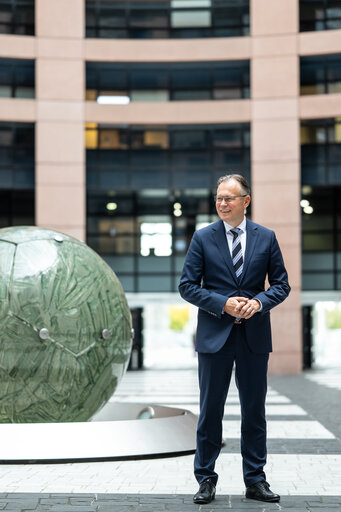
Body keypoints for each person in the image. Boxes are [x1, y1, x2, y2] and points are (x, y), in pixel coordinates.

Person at [179, 174, 290, 504]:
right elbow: (187, 286)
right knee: (210, 411)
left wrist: (258, 303)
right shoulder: (202, 238)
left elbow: (281, 285)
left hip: (254, 338)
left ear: (246, 200)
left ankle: (255, 480)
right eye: (218, 198)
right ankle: (206, 480)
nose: (222, 203)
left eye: (229, 198)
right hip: (215, 337)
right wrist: (222, 304)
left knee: (254, 411)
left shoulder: (266, 238)